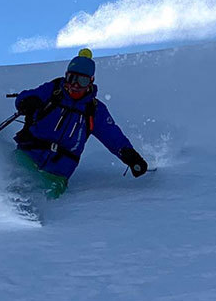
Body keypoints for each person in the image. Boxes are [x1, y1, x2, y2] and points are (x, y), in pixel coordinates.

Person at [13, 49, 148, 198]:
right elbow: (25, 97)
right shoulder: (53, 90)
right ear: (66, 76)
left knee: (41, 197)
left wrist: (131, 157)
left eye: (82, 81)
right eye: (72, 78)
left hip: (57, 172)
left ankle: (25, 211)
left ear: (91, 81)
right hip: (28, 154)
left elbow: (113, 136)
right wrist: (27, 102)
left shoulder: (94, 110)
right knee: (10, 179)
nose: (75, 85)